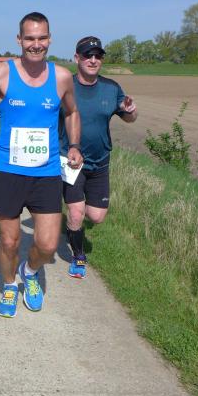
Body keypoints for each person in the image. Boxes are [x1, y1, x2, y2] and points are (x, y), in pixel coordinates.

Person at [0, 12, 82, 318]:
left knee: (48, 245)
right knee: (9, 241)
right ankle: (8, 284)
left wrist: (73, 145)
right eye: (29, 38)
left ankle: (29, 272)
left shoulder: (62, 77)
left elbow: (71, 113)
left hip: (46, 172)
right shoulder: (2, 73)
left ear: (50, 39)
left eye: (41, 38)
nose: (36, 44)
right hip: (9, 171)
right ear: (19, 40)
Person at [60, 36, 137, 279]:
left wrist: (131, 111)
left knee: (96, 216)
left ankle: (71, 225)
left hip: (100, 161)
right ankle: (78, 256)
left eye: (98, 56)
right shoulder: (65, 86)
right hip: (71, 161)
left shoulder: (111, 88)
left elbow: (128, 117)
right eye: (87, 55)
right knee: (76, 213)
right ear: (77, 58)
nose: (93, 60)